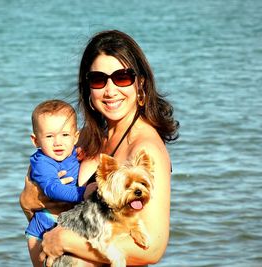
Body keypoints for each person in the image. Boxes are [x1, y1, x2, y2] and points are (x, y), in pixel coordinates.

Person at [20, 30, 179, 266]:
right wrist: (30, 201)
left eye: (122, 77)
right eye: (98, 80)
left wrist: (65, 240)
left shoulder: (145, 148)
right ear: (88, 88)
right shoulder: (86, 137)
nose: (110, 90)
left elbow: (152, 248)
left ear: (141, 83)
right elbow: (33, 199)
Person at [25, 99, 88, 267]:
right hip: (43, 228)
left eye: (65, 135)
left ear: (76, 137)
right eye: (49, 136)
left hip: (65, 223)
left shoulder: (75, 154)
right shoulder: (42, 162)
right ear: (36, 141)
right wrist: (84, 193)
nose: (58, 142)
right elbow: (52, 189)